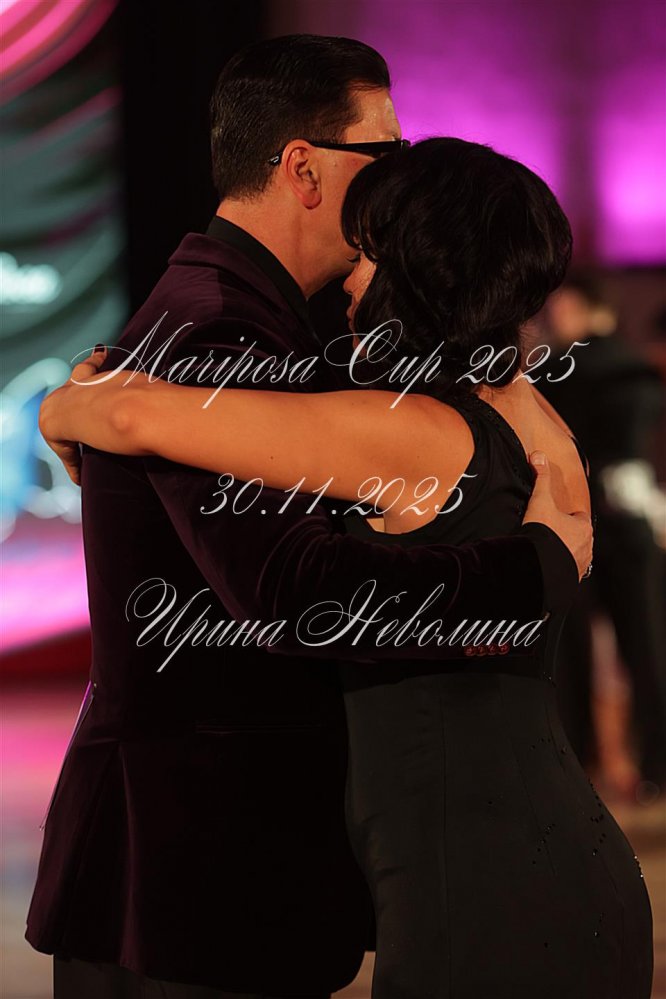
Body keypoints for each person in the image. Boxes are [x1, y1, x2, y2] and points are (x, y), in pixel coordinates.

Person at [26, 37, 591, 999]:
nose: (399, 174)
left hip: (219, 870)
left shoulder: (267, 322)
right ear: (303, 168)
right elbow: (290, 589)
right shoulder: (220, 327)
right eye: (385, 152)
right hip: (192, 873)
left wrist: (73, 404)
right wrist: (530, 571)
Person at [541, 277, 666, 795]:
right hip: (633, 520)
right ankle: (658, 764)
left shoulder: (560, 370)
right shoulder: (639, 369)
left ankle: (576, 763)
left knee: (571, 653)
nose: (555, 318)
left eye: (561, 307)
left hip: (576, 519)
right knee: (647, 646)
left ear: (584, 306)